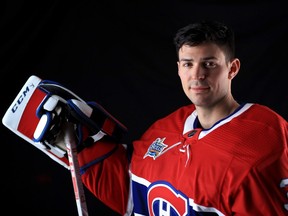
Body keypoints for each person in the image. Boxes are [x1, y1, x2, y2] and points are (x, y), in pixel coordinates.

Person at [76, 20, 288, 215]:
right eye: (188, 64)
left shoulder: (263, 138)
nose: (197, 75)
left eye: (209, 64)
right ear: (178, 69)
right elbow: (129, 189)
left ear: (232, 69)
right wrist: (79, 148)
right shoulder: (166, 127)